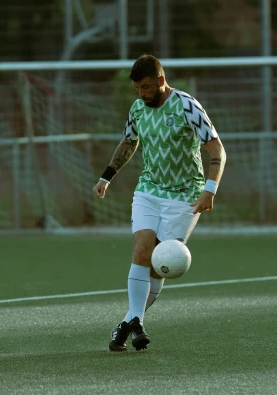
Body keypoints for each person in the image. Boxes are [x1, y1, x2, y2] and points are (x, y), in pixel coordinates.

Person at [92, 54, 226, 352]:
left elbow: (217, 149)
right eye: (138, 88)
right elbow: (129, 142)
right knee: (142, 249)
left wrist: (210, 188)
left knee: (157, 265)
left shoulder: (187, 106)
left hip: (185, 197)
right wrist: (107, 176)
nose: (142, 94)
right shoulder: (138, 108)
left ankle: (128, 322)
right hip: (149, 191)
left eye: (147, 87)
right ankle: (136, 323)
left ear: (161, 81)